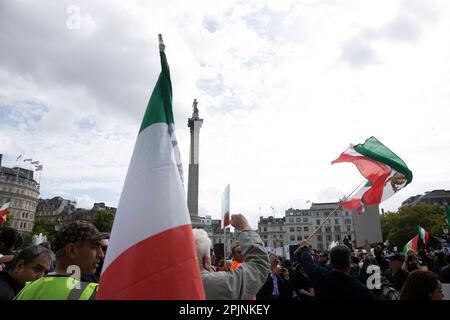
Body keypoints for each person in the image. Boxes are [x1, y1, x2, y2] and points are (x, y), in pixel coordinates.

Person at [15, 220, 107, 300]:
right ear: (72, 250)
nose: (101, 255)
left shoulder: (27, 289)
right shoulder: (95, 293)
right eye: (94, 247)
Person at [192, 213, 270, 300]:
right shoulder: (216, 283)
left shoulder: (175, 282)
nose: (242, 254)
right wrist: (246, 229)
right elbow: (259, 266)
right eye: (210, 255)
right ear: (206, 261)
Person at [295, 240, 374, 300]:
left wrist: (305, 248)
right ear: (350, 262)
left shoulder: (322, 277)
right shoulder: (361, 290)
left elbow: (309, 264)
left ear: (331, 262)